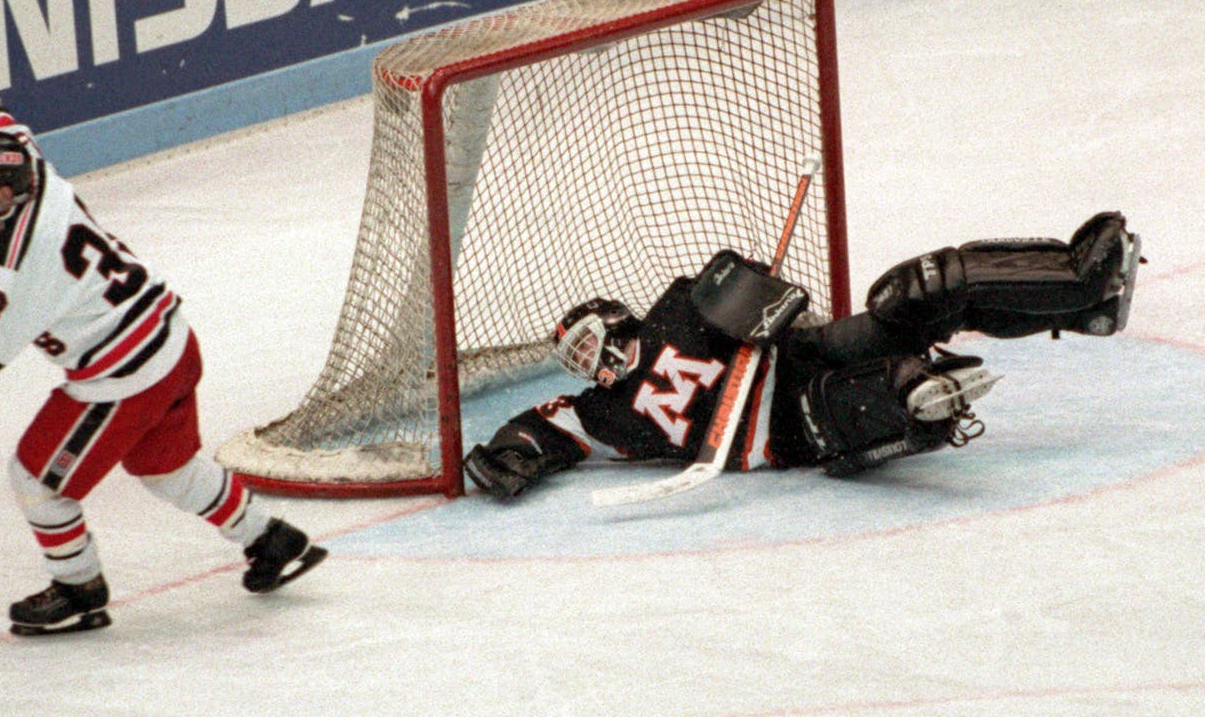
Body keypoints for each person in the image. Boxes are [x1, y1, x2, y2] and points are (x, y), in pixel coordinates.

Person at [0, 39, 326, 635]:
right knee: (166, 467)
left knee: (37, 479)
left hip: (125, 377)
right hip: (170, 340)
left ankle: (78, 589)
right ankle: (272, 538)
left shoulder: (20, 265)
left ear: (5, 197)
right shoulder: (31, 169)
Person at [463, 213, 1142, 497]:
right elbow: (540, 426)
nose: (591, 364)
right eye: (577, 362)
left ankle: (1084, 291)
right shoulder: (602, 413)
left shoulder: (677, 305)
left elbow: (759, 287)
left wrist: (755, 299)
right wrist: (511, 453)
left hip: (808, 354)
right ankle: (919, 401)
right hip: (793, 431)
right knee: (897, 392)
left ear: (616, 319)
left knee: (917, 290)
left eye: (588, 345)